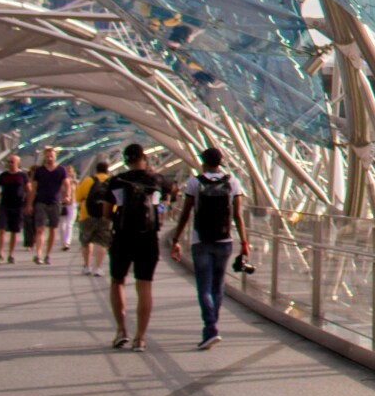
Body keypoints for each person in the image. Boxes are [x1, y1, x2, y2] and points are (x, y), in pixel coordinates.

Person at [168, 148, 248, 351]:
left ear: (203, 162)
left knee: (203, 287)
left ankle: (210, 327)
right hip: (225, 240)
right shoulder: (232, 182)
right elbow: (238, 215)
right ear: (221, 162)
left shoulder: (195, 182)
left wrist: (176, 238)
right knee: (218, 285)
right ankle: (213, 325)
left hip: (200, 240)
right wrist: (244, 244)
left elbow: (186, 213)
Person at [106, 144, 172, 351]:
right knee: (144, 285)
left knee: (117, 281)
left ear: (126, 160)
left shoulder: (116, 181)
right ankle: (140, 338)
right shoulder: (156, 180)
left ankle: (121, 330)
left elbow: (107, 211)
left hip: (122, 237)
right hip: (148, 238)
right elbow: (169, 198)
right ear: (145, 157)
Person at [28, 147, 71, 265]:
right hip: (41, 202)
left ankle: (48, 254)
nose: (49, 158)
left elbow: (67, 184)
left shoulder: (61, 170)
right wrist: (29, 204)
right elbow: (33, 188)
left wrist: (67, 196)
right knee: (40, 229)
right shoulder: (39, 171)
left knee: (53, 229)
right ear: (44, 157)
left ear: (55, 157)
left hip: (55, 202)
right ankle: (38, 254)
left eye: (51, 156)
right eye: (47, 156)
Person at [0, 154, 30, 264]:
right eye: (9, 162)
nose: (10, 164)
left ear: (18, 163)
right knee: (1, 229)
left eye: (12, 162)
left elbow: (29, 190)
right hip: (4, 205)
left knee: (14, 231)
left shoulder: (23, 176)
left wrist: (28, 205)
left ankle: (11, 254)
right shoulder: (2, 176)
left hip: (17, 206)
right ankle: (0, 253)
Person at [75, 160, 113, 276]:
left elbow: (78, 197)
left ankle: (86, 266)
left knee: (86, 241)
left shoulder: (88, 181)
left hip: (87, 215)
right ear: (107, 170)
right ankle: (98, 268)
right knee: (101, 242)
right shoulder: (112, 182)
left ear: (96, 170)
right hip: (106, 215)